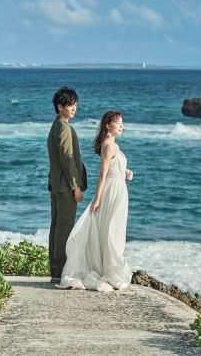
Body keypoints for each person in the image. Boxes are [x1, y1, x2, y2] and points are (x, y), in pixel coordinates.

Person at [57, 110, 133, 291]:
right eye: (117, 123)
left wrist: (125, 172)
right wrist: (97, 198)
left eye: (122, 122)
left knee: (114, 230)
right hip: (111, 192)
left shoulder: (115, 145)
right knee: (110, 231)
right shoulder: (108, 146)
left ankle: (110, 267)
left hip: (119, 191)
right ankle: (110, 269)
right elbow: (103, 175)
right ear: (107, 125)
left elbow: (115, 168)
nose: (121, 125)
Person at [47, 86, 87, 284]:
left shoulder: (56, 125)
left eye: (75, 105)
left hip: (56, 184)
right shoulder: (64, 128)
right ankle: (60, 271)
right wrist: (76, 186)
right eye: (70, 105)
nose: (73, 108)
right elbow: (67, 159)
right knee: (63, 229)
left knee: (56, 227)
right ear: (59, 106)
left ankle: (55, 270)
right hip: (64, 186)